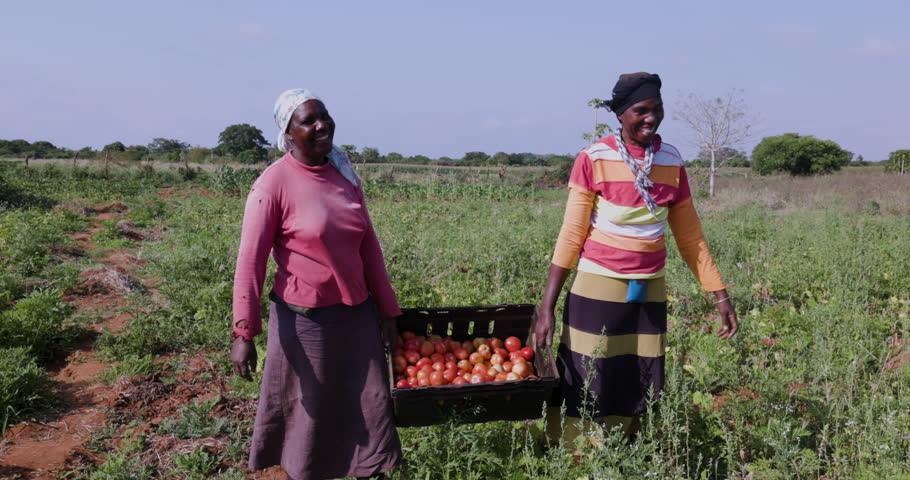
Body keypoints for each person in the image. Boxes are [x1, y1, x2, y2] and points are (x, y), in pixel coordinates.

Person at [534, 72, 738, 450]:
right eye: (641, 110)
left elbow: (690, 236)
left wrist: (720, 296)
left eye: (657, 110)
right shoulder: (594, 158)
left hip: (649, 286)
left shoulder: (671, 160)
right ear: (621, 114)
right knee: (587, 370)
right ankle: (575, 452)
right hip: (597, 283)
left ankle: (626, 450)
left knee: (639, 369)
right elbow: (571, 234)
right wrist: (546, 307)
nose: (651, 118)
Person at [231, 88, 402, 480]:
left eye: (323, 115)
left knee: (369, 410)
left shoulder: (344, 173)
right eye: (308, 120)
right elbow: (250, 261)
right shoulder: (273, 185)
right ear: (288, 132)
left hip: (357, 319)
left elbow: (369, 247)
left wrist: (389, 313)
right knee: (309, 419)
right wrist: (244, 331)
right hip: (305, 324)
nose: (321, 125)